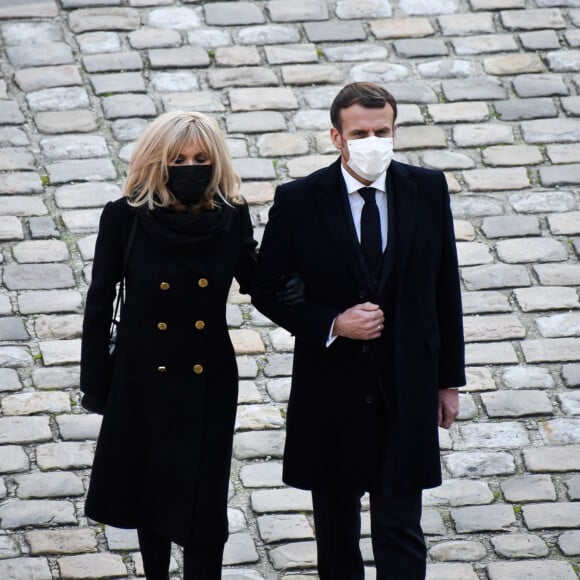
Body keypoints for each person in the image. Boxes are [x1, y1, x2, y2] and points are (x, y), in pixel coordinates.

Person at [252, 82, 466, 579]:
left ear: (394, 131)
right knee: (336, 533)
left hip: (407, 387)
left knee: (401, 529)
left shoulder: (428, 191)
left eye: (382, 131)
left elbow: (444, 288)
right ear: (336, 137)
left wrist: (448, 381)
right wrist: (332, 322)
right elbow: (268, 287)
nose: (373, 141)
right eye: (360, 132)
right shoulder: (300, 200)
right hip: (332, 390)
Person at [80, 111, 300, 579]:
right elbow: (99, 303)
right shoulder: (124, 217)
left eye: (200, 157)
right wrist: (96, 383)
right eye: (177, 158)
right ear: (157, 161)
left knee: (204, 503)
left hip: (208, 376)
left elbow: (258, 283)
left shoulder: (230, 214)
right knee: (149, 492)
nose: (190, 167)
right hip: (141, 375)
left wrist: (310, 304)